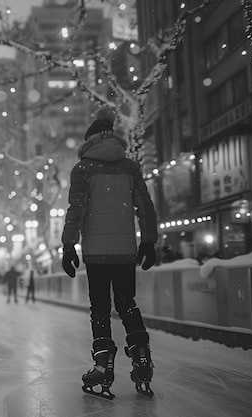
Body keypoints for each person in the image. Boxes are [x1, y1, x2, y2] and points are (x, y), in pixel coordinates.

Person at [61, 105, 158, 399]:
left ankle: (103, 367)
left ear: (89, 141)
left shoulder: (83, 169)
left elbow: (76, 210)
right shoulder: (130, 167)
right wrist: (148, 241)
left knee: (100, 308)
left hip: (97, 254)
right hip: (126, 251)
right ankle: (142, 360)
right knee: (127, 303)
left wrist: (68, 245)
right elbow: (145, 205)